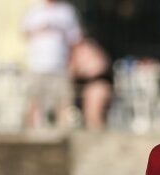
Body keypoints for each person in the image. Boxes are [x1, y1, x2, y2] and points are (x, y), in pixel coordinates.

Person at [21, 0, 82, 129]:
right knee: (35, 101)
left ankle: (62, 136)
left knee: (63, 102)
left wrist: (74, 63)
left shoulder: (66, 11)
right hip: (37, 66)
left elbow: (75, 40)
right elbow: (24, 33)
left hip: (60, 65)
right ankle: (33, 136)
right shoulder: (34, 10)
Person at [69, 35, 113, 130]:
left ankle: (98, 138)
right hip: (83, 86)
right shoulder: (76, 50)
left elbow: (99, 67)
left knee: (94, 116)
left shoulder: (88, 49)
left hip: (97, 84)